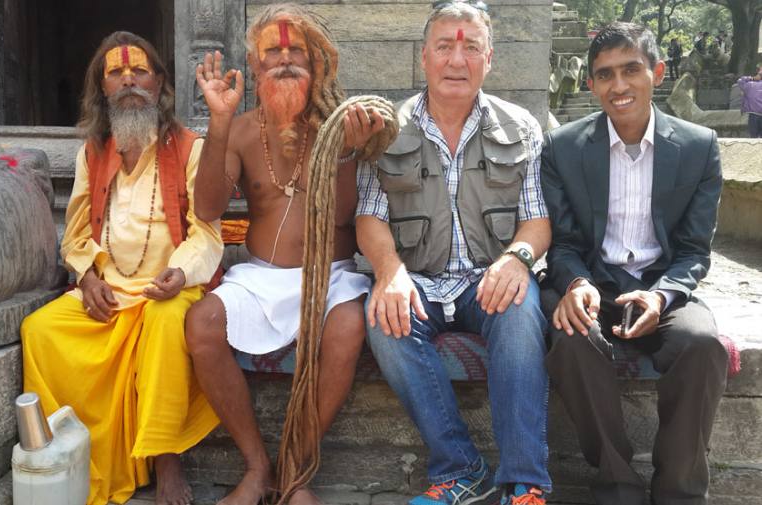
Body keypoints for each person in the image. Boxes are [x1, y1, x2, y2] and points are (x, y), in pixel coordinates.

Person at [184, 3, 384, 504]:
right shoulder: (242, 128)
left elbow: (342, 218)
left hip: (331, 275)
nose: (286, 59)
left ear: (317, 63)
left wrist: (345, 153)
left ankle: (295, 472)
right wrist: (220, 121)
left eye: (298, 50)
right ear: (254, 66)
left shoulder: (344, 125)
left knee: (349, 325)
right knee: (201, 325)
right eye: (273, 51)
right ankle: (256, 467)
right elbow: (207, 207)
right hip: (259, 278)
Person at [356, 2, 552, 504]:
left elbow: (537, 218)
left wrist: (518, 258)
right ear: (424, 57)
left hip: (490, 276)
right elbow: (370, 216)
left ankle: (524, 482)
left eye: (470, 47)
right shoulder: (386, 129)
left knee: (520, 305)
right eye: (444, 46)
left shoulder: (521, 126)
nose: (456, 59)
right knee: (383, 316)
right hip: (417, 276)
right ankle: (460, 468)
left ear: (491, 58)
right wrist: (389, 272)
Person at [20, 31, 223, 505]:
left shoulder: (190, 148)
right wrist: (88, 277)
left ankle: (166, 459)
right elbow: (73, 234)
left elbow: (208, 233)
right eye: (116, 72)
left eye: (140, 71)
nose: (129, 80)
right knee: (40, 329)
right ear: (102, 88)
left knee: (164, 323)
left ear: (159, 85)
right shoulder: (94, 152)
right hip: (108, 290)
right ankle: (70, 451)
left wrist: (180, 273)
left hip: (169, 287)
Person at [541, 22, 728, 505]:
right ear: (591, 83)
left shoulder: (698, 146)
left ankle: (679, 491)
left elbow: (693, 251)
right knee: (570, 341)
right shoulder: (562, 147)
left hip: (661, 285)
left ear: (657, 73)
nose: (618, 86)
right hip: (592, 283)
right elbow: (561, 242)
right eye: (605, 75)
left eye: (631, 70)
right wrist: (576, 280)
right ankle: (617, 484)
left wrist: (661, 294)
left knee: (703, 343)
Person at [737, 66, 762, 137]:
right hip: (754, 115)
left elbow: (740, 81)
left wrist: (752, 78)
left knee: (753, 139)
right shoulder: (750, 85)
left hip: (754, 115)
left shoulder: (750, 85)